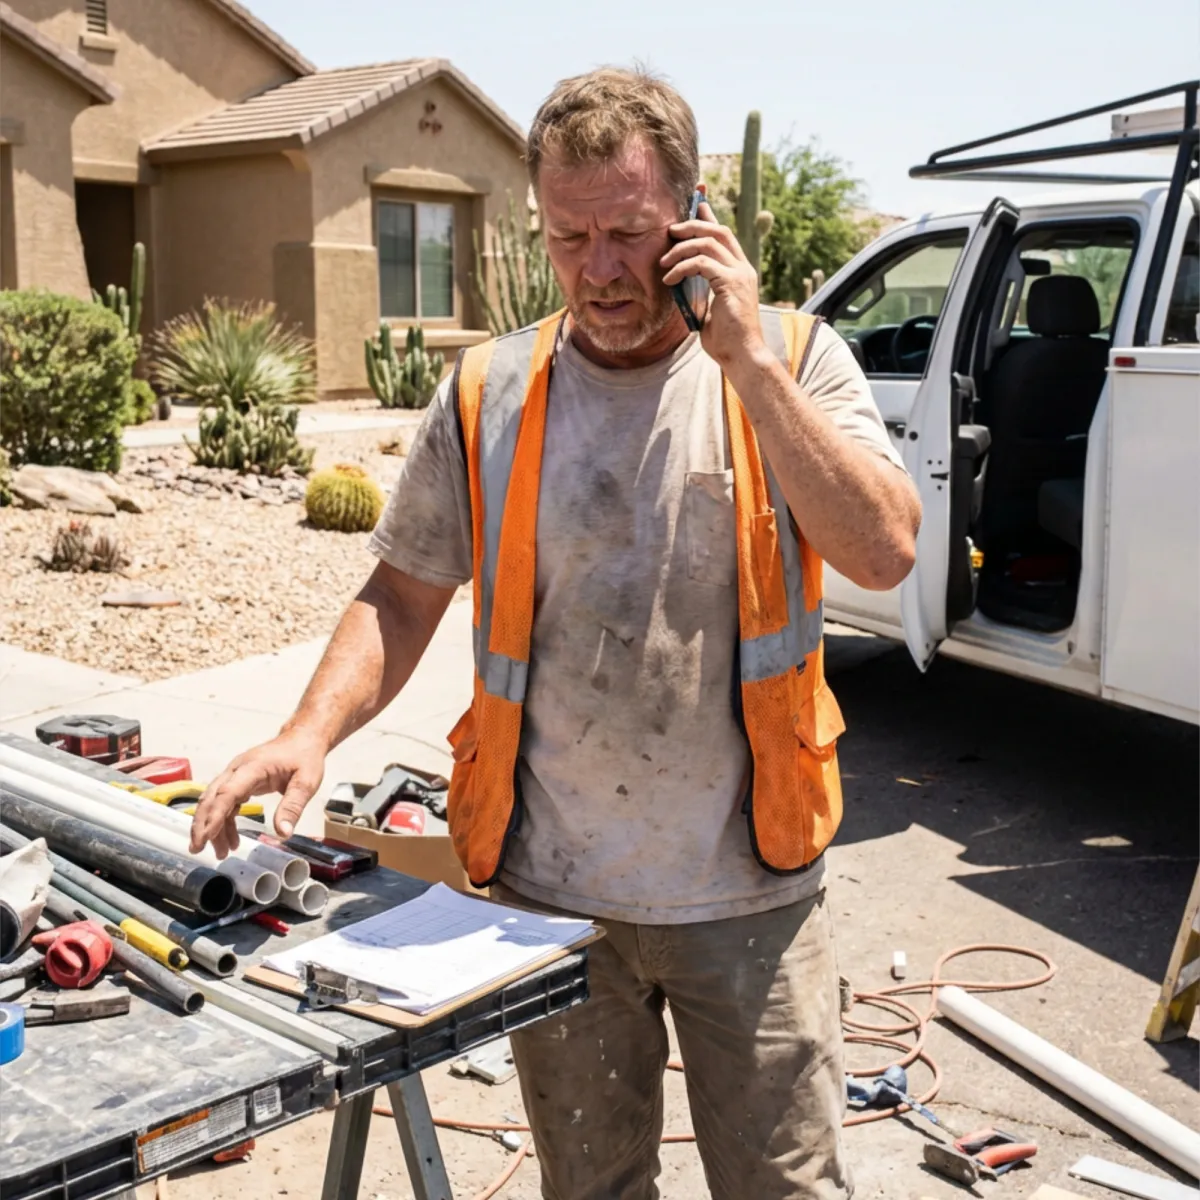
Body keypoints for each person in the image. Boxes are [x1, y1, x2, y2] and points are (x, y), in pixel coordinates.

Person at [190, 66, 920, 1200]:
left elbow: (884, 551)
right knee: (589, 1187)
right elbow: (401, 594)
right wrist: (309, 729)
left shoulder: (790, 359)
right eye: (570, 237)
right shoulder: (492, 391)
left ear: (690, 222)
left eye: (629, 233)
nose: (601, 269)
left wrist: (751, 365)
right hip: (552, 897)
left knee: (788, 1189)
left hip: (751, 891)